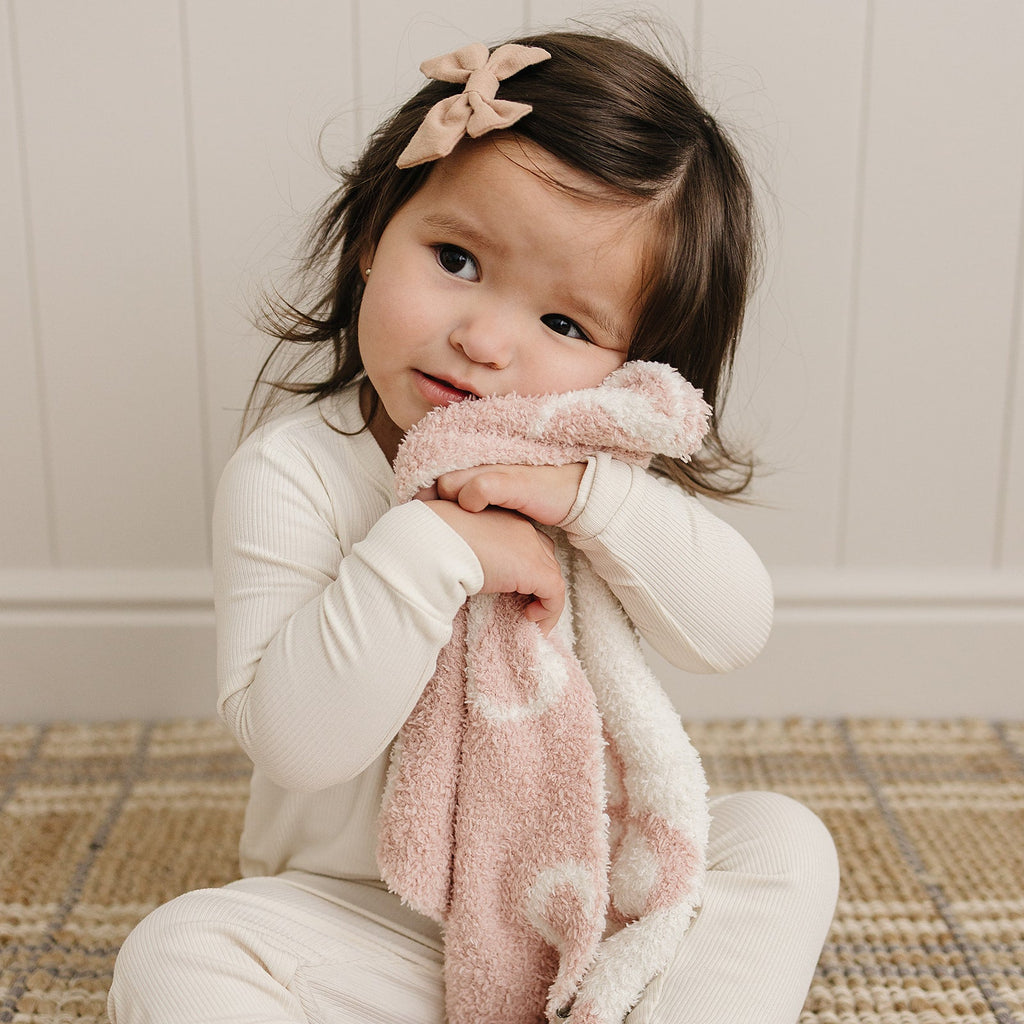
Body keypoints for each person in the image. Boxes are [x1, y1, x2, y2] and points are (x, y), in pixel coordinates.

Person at [108, 28, 839, 1024]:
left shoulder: (581, 478)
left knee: (782, 842)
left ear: (636, 371)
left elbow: (733, 628)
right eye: (456, 259)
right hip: (370, 924)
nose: (485, 339)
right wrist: (434, 547)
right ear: (374, 235)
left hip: (578, 901)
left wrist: (589, 498)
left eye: (565, 325)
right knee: (182, 949)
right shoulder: (294, 473)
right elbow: (298, 743)